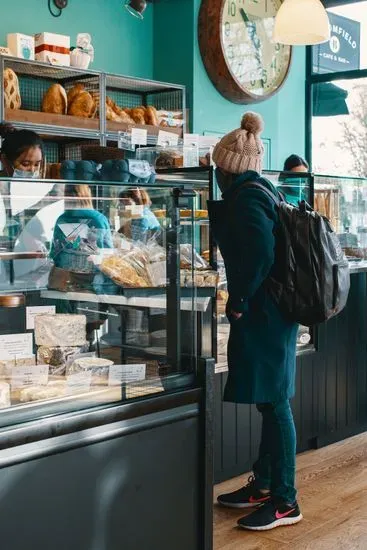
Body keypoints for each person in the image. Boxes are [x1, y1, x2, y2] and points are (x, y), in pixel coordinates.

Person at [212, 113, 302, 531]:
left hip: (265, 311)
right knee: (271, 400)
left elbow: (260, 253)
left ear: (229, 167)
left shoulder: (247, 196)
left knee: (276, 403)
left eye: (217, 168)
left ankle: (285, 501)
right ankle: (264, 485)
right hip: (273, 312)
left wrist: (240, 299)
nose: (215, 175)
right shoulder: (260, 189)